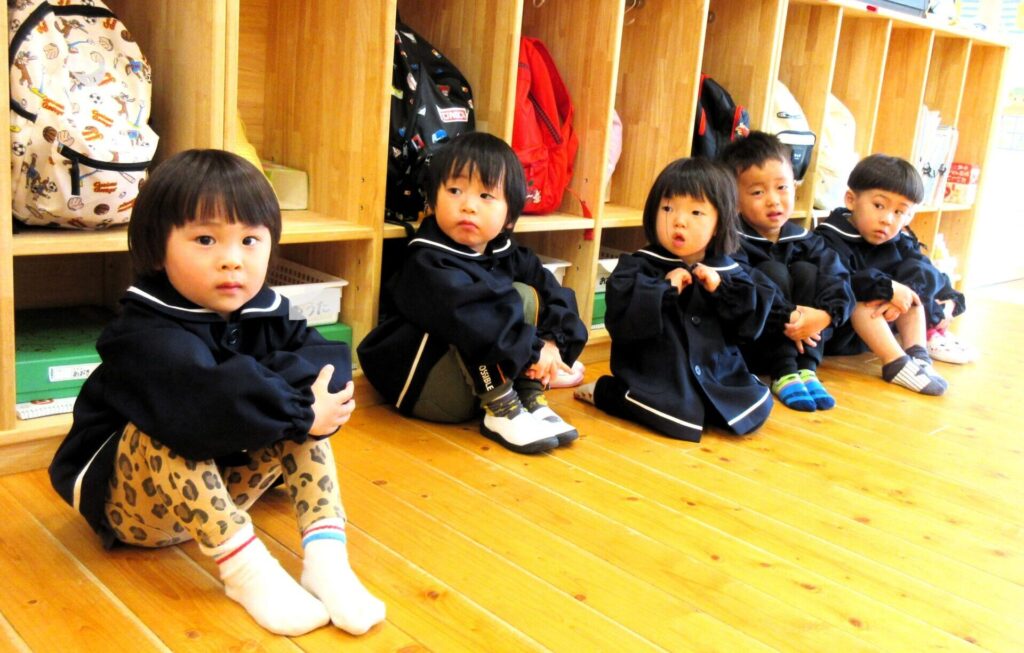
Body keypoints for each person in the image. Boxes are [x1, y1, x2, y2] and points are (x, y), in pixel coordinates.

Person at [48, 150, 385, 637]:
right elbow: (200, 403)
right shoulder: (141, 330)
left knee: (306, 413)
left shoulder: (260, 308)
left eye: (250, 240)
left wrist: (299, 408)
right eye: (205, 239)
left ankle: (327, 560)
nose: (232, 259)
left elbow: (325, 361)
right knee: (171, 427)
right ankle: (247, 573)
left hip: (221, 495)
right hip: (134, 511)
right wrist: (288, 402)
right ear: (157, 249)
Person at [358, 132, 588, 454]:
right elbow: (473, 318)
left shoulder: (507, 252)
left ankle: (528, 398)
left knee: (527, 292)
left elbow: (555, 293)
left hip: (472, 387)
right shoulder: (427, 260)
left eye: (486, 195)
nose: (468, 205)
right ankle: (502, 409)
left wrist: (552, 343)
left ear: (509, 216)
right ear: (433, 199)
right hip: (426, 388)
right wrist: (534, 350)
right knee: (483, 310)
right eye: (455, 191)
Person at [573, 157, 774, 441]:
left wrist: (721, 291)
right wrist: (663, 290)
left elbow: (748, 327)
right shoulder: (638, 265)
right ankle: (608, 392)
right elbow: (622, 321)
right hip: (657, 375)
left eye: (696, 212)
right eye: (668, 208)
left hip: (716, 372)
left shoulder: (729, 271)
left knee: (753, 408)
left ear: (719, 223)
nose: (679, 220)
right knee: (672, 413)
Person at [719, 131, 854, 412]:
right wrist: (791, 316)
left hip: (808, 339)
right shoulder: (732, 242)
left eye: (781, 187)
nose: (774, 200)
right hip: (753, 348)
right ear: (734, 198)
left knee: (807, 271)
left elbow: (837, 276)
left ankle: (806, 369)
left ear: (795, 186)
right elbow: (743, 289)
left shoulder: (805, 239)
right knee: (772, 273)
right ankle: (783, 372)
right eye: (758, 192)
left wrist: (825, 316)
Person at [816, 153, 963, 395]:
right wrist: (887, 289)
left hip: (878, 333)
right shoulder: (828, 238)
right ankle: (895, 363)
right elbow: (838, 281)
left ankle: (918, 357)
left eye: (899, 212)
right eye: (879, 206)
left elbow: (927, 270)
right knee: (861, 298)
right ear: (851, 200)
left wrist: (903, 292)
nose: (887, 219)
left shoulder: (899, 241)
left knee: (912, 291)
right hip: (840, 332)